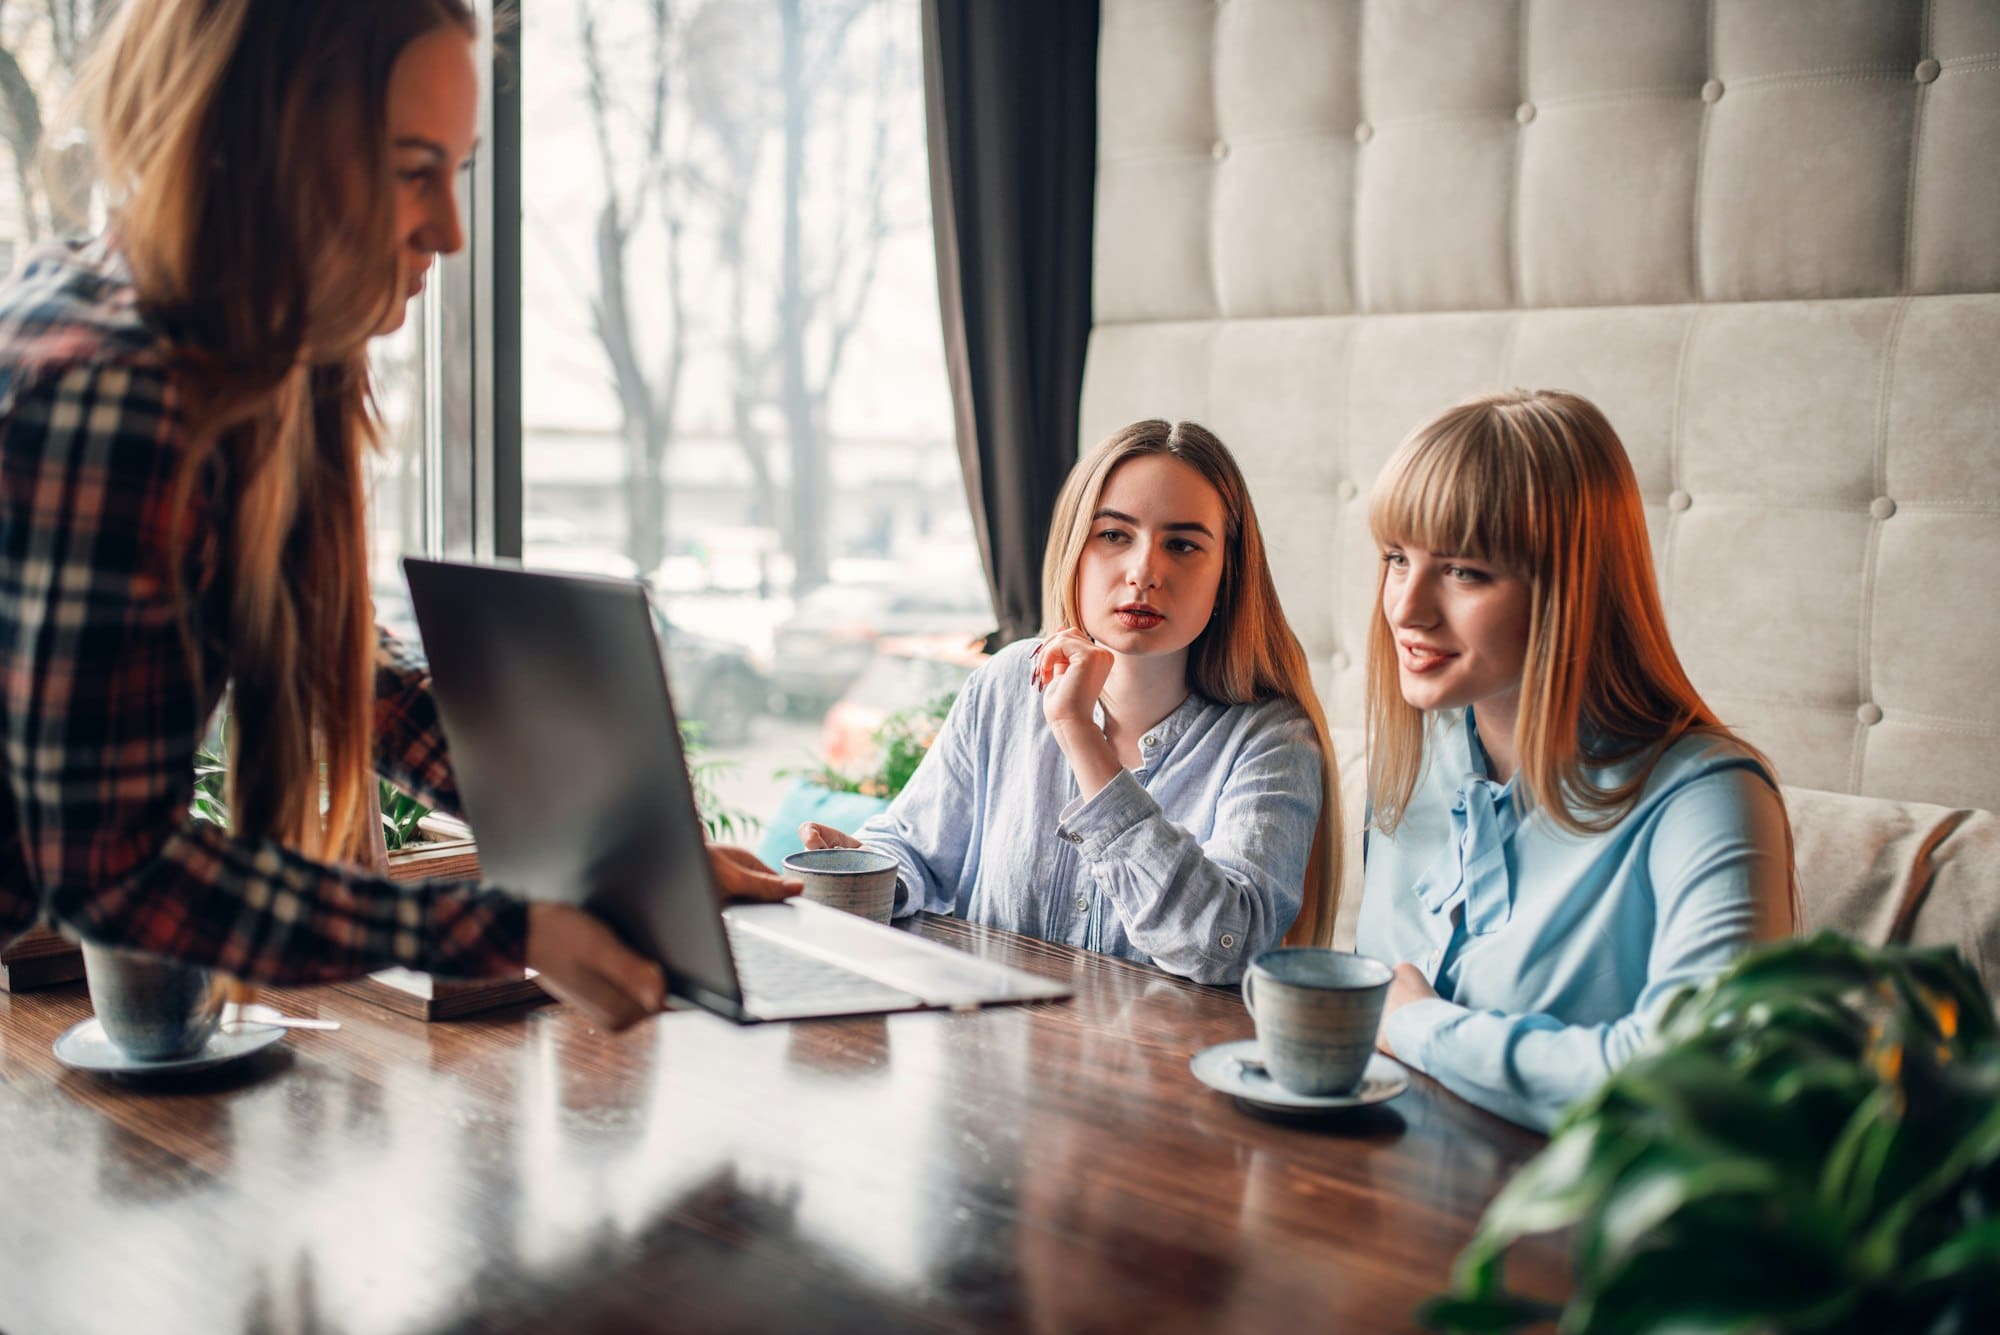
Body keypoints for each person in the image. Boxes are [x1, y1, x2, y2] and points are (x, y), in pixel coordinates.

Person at [0, 0, 793, 1031]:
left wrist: (625, 861)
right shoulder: (115, 390)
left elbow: (344, 675)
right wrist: (508, 929)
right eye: (409, 169)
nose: (449, 231)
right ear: (260, 148)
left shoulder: (223, 355)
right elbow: (112, 872)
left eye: (453, 172)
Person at [1358, 389, 1797, 1130]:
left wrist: (1420, 1025)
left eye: (1464, 571)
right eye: (1397, 559)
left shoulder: (1707, 798)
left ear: (1571, 587)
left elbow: (1701, 1081)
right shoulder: (1410, 765)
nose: (1405, 607)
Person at [802, 420, 1338, 984]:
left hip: (1161, 1069)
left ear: (1227, 574)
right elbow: (918, 848)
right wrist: (862, 870)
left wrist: (1079, 734)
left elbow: (1223, 945)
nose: (1144, 573)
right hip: (991, 1057)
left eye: (1182, 545)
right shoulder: (1007, 682)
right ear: (1074, 550)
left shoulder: (1272, 739)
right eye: (1113, 535)